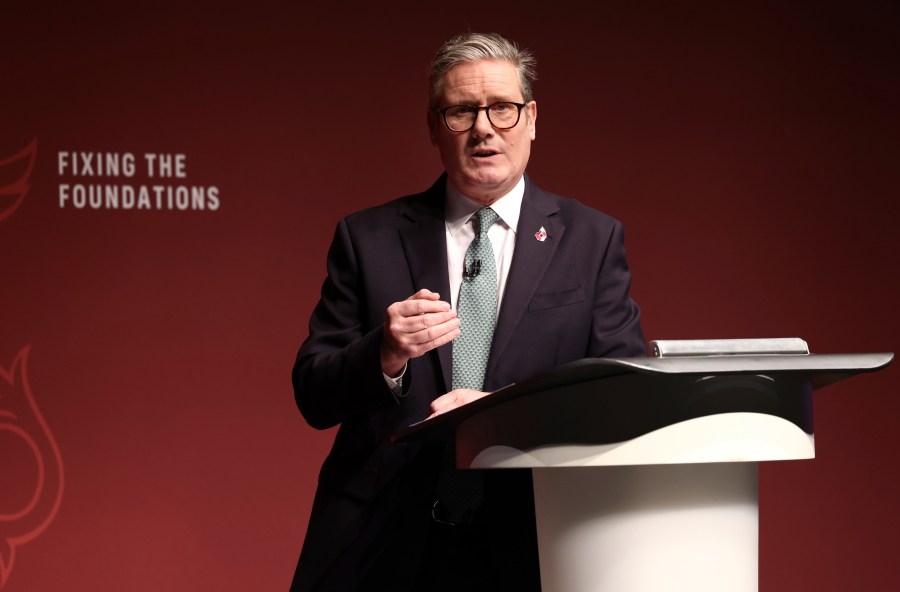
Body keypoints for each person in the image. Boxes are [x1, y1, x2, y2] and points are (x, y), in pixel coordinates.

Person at [290, 32, 645, 591]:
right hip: (383, 540)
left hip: (531, 536)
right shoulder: (369, 238)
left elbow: (621, 398)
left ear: (531, 118)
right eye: (461, 111)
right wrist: (384, 354)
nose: (483, 128)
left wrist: (505, 413)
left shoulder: (592, 240)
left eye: (501, 108)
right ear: (434, 127)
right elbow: (313, 392)